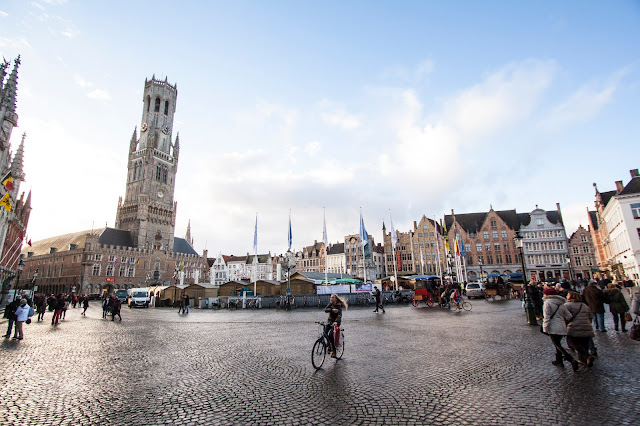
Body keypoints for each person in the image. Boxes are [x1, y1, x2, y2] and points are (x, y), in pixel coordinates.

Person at [542, 288, 579, 371]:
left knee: (557, 345)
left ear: (547, 295)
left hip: (553, 327)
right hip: (562, 326)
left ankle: (571, 359)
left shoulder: (547, 303)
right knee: (557, 343)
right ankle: (559, 361)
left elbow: (546, 317)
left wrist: (545, 328)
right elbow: (569, 316)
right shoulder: (561, 303)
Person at [564, 292, 595, 368]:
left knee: (572, 342)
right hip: (586, 326)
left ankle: (587, 356)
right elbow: (590, 316)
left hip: (574, 326)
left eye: (568, 295)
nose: (566, 296)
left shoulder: (567, 305)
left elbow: (565, 316)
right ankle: (583, 360)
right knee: (584, 344)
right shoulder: (584, 305)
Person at [324, 294, 348, 358]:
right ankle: (328, 343)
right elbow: (325, 310)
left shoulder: (338, 306)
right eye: (331, 297)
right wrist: (332, 310)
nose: (331, 299)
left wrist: (336, 322)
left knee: (331, 335)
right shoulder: (331, 304)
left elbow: (339, 315)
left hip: (336, 322)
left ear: (336, 299)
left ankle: (334, 351)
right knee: (324, 333)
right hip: (330, 321)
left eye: (332, 297)